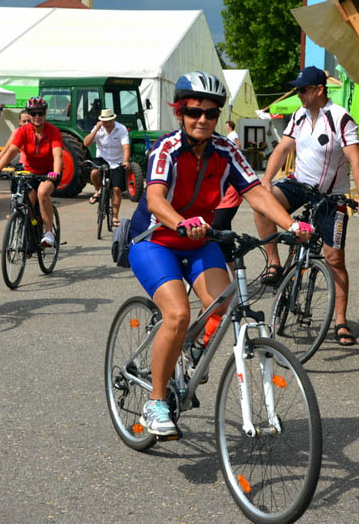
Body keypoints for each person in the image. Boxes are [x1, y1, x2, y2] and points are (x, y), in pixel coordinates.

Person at [128, 71, 313, 436]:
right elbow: (155, 198)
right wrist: (180, 222)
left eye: (210, 113)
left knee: (223, 303)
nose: (202, 119)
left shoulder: (226, 151)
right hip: (155, 241)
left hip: (199, 241)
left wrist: (291, 225)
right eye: (194, 112)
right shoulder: (166, 149)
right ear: (180, 113)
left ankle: (192, 347)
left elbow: (256, 193)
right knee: (178, 314)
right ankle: (156, 401)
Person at [253, 66, 359, 347]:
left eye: (303, 90)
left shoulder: (340, 118)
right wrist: (266, 181)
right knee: (261, 204)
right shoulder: (299, 115)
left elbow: (355, 160)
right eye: (297, 90)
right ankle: (274, 262)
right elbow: (282, 149)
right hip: (300, 186)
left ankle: (340, 321)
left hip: (331, 196)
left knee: (335, 260)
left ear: (319, 90)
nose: (299, 94)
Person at [0, 97, 62, 247]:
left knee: (42, 193)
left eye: (40, 113)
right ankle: (30, 232)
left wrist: (55, 172)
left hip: (48, 172)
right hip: (29, 172)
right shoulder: (23, 131)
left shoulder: (53, 131)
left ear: (45, 114)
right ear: (29, 114)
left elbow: (57, 155)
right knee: (27, 203)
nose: (37, 117)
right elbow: (12, 150)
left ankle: (49, 232)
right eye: (33, 113)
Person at [84, 108, 130, 226]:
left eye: (109, 121)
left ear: (113, 119)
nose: (107, 124)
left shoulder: (121, 129)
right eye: (104, 121)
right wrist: (96, 129)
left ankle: (115, 216)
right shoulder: (98, 128)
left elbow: (126, 147)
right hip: (102, 158)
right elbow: (86, 143)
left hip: (117, 161)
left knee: (116, 189)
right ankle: (98, 191)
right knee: (94, 173)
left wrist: (125, 161)